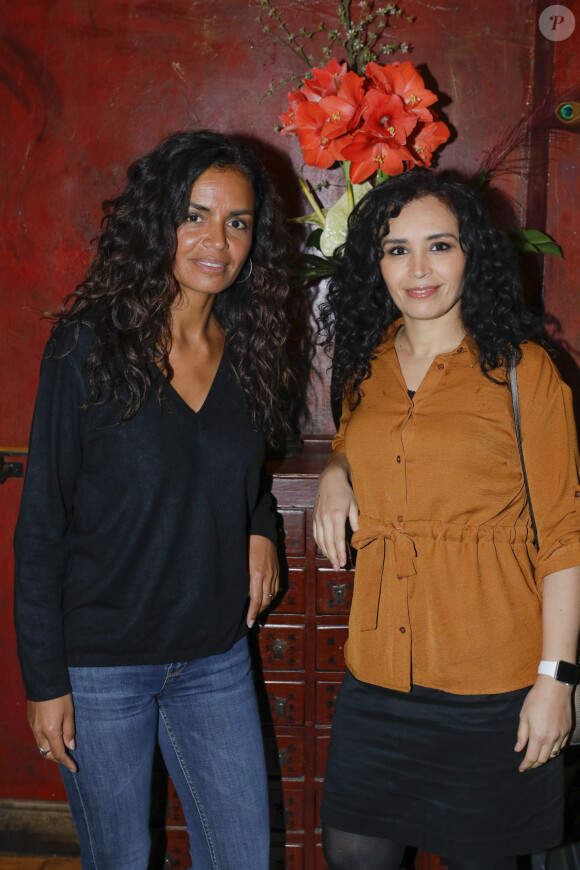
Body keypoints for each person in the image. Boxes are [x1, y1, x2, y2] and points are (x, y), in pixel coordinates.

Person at [14, 129, 290, 870]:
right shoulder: (87, 347)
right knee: (123, 860)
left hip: (213, 656)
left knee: (241, 857)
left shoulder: (252, 348)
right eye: (194, 215)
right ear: (157, 223)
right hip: (102, 666)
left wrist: (260, 529)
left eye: (237, 222)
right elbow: (40, 526)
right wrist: (45, 682)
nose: (216, 240)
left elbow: (244, 471)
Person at [313, 168, 580, 870]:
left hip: (490, 687)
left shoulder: (524, 371)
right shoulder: (365, 366)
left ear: (473, 256)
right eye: (396, 249)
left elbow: (564, 536)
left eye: (439, 245)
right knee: (352, 855)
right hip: (375, 678)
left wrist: (556, 682)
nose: (418, 268)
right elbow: (353, 440)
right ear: (375, 262)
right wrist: (336, 473)